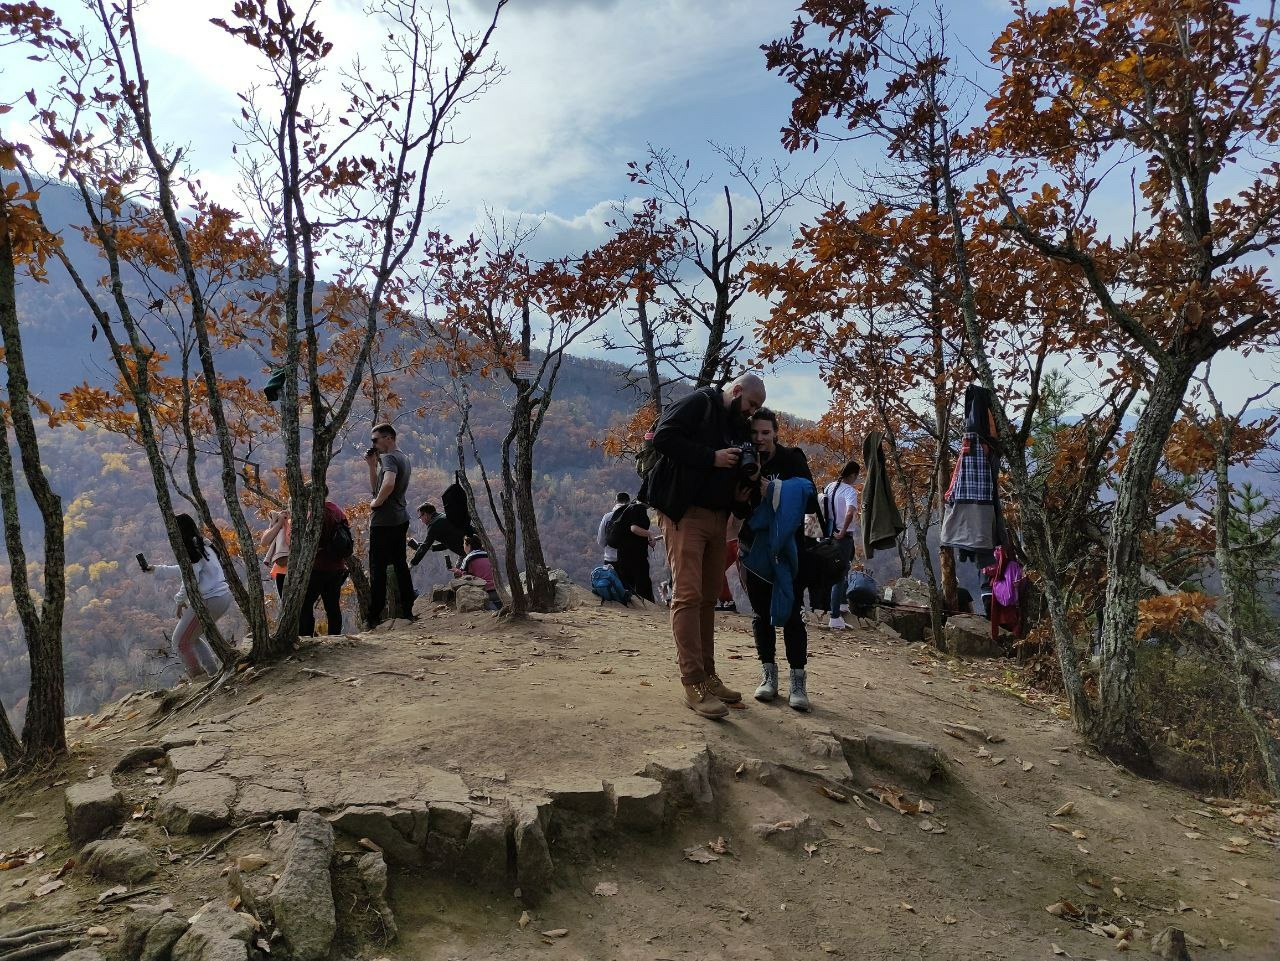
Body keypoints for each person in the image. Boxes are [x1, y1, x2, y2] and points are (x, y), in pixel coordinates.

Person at [641, 372, 765, 719]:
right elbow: (664, 437)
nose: (752, 413)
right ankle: (692, 682)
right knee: (688, 595)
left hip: (717, 516)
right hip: (685, 512)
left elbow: (738, 467)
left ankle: (709, 677)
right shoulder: (699, 402)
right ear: (737, 391)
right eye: (752, 404)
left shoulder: (738, 424)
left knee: (709, 598)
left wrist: (747, 484)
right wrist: (711, 457)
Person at [739, 408, 818, 710]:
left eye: (765, 433)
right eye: (754, 434)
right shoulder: (743, 461)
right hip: (754, 549)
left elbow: (810, 499)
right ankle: (768, 676)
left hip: (789, 550)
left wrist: (775, 489)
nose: (759, 439)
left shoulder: (791, 459)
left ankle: (798, 682)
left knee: (793, 612)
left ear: (775, 433)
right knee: (761, 614)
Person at [147, 513, 231, 678]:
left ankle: (198, 677)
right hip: (222, 597)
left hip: (210, 599)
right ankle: (212, 672)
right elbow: (186, 570)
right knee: (191, 638)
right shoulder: (205, 546)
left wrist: (179, 600)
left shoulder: (192, 550)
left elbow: (190, 577)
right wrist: (156, 569)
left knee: (179, 642)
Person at [364, 423, 414, 625]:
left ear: (389, 438)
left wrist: (376, 503)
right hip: (400, 518)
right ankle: (407, 610)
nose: (373, 444)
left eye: (375, 440)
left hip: (383, 522)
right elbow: (378, 487)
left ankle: (374, 615)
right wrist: (371, 466)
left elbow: (388, 484)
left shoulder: (390, 457)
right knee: (400, 565)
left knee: (378, 569)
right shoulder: (403, 457)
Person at [300, 496, 350, 637]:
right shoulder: (337, 510)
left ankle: (306, 636)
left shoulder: (318, 513)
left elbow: (312, 539)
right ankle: (335, 636)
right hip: (337, 566)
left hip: (319, 566)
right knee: (332, 605)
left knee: (305, 603)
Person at [822, 460, 861, 630]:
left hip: (829, 534)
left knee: (843, 568)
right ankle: (835, 617)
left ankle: (842, 603)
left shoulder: (830, 487)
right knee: (839, 574)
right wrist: (843, 531)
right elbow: (850, 511)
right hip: (841, 537)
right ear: (852, 475)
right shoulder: (849, 491)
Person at [613, 495, 658, 602]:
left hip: (622, 553)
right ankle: (647, 608)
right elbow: (634, 529)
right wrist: (650, 534)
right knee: (643, 584)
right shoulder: (639, 508)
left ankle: (630, 607)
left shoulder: (629, 508)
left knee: (628, 584)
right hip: (636, 555)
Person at [451, 534, 500, 610]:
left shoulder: (468, 558)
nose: (463, 546)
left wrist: (457, 571)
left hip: (483, 592)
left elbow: (465, 577)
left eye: (464, 544)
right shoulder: (489, 554)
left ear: (468, 545)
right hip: (498, 590)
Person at [410, 503, 465, 568]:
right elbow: (448, 543)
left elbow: (424, 547)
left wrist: (411, 564)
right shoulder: (443, 516)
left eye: (420, 517)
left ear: (425, 514)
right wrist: (430, 547)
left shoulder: (434, 525)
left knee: (463, 574)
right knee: (458, 572)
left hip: (468, 551)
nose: (421, 520)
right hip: (471, 544)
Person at [258, 509, 290, 597]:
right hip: (282, 570)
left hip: (299, 569)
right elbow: (264, 542)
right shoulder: (281, 523)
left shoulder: (305, 522)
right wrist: (279, 524)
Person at [597, 492, 630, 565]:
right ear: (628, 502)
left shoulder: (607, 517)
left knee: (611, 576)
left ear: (616, 501)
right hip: (629, 559)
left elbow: (600, 540)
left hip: (610, 558)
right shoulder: (633, 516)